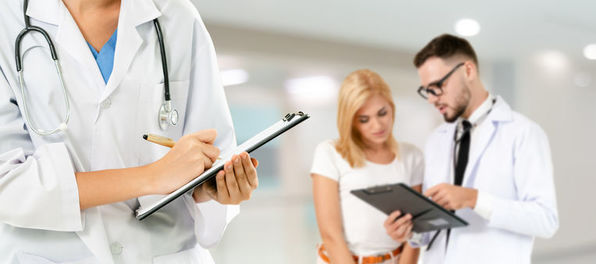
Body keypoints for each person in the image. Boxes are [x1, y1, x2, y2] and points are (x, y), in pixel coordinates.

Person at [0, 0, 259, 262]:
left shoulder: (177, 16)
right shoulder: (6, 22)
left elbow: (213, 148)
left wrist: (209, 188)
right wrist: (152, 177)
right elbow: (6, 184)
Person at [383, 34, 559, 263]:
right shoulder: (437, 139)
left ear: (468, 70)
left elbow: (545, 220)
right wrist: (410, 231)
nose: (432, 99)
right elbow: (434, 229)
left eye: (438, 86)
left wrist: (474, 199)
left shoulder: (523, 133)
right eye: (427, 90)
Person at [311, 69, 423, 264]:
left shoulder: (412, 156)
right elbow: (331, 235)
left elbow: (416, 231)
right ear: (351, 121)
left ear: (392, 108)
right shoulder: (329, 153)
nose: (377, 125)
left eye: (382, 113)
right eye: (364, 119)